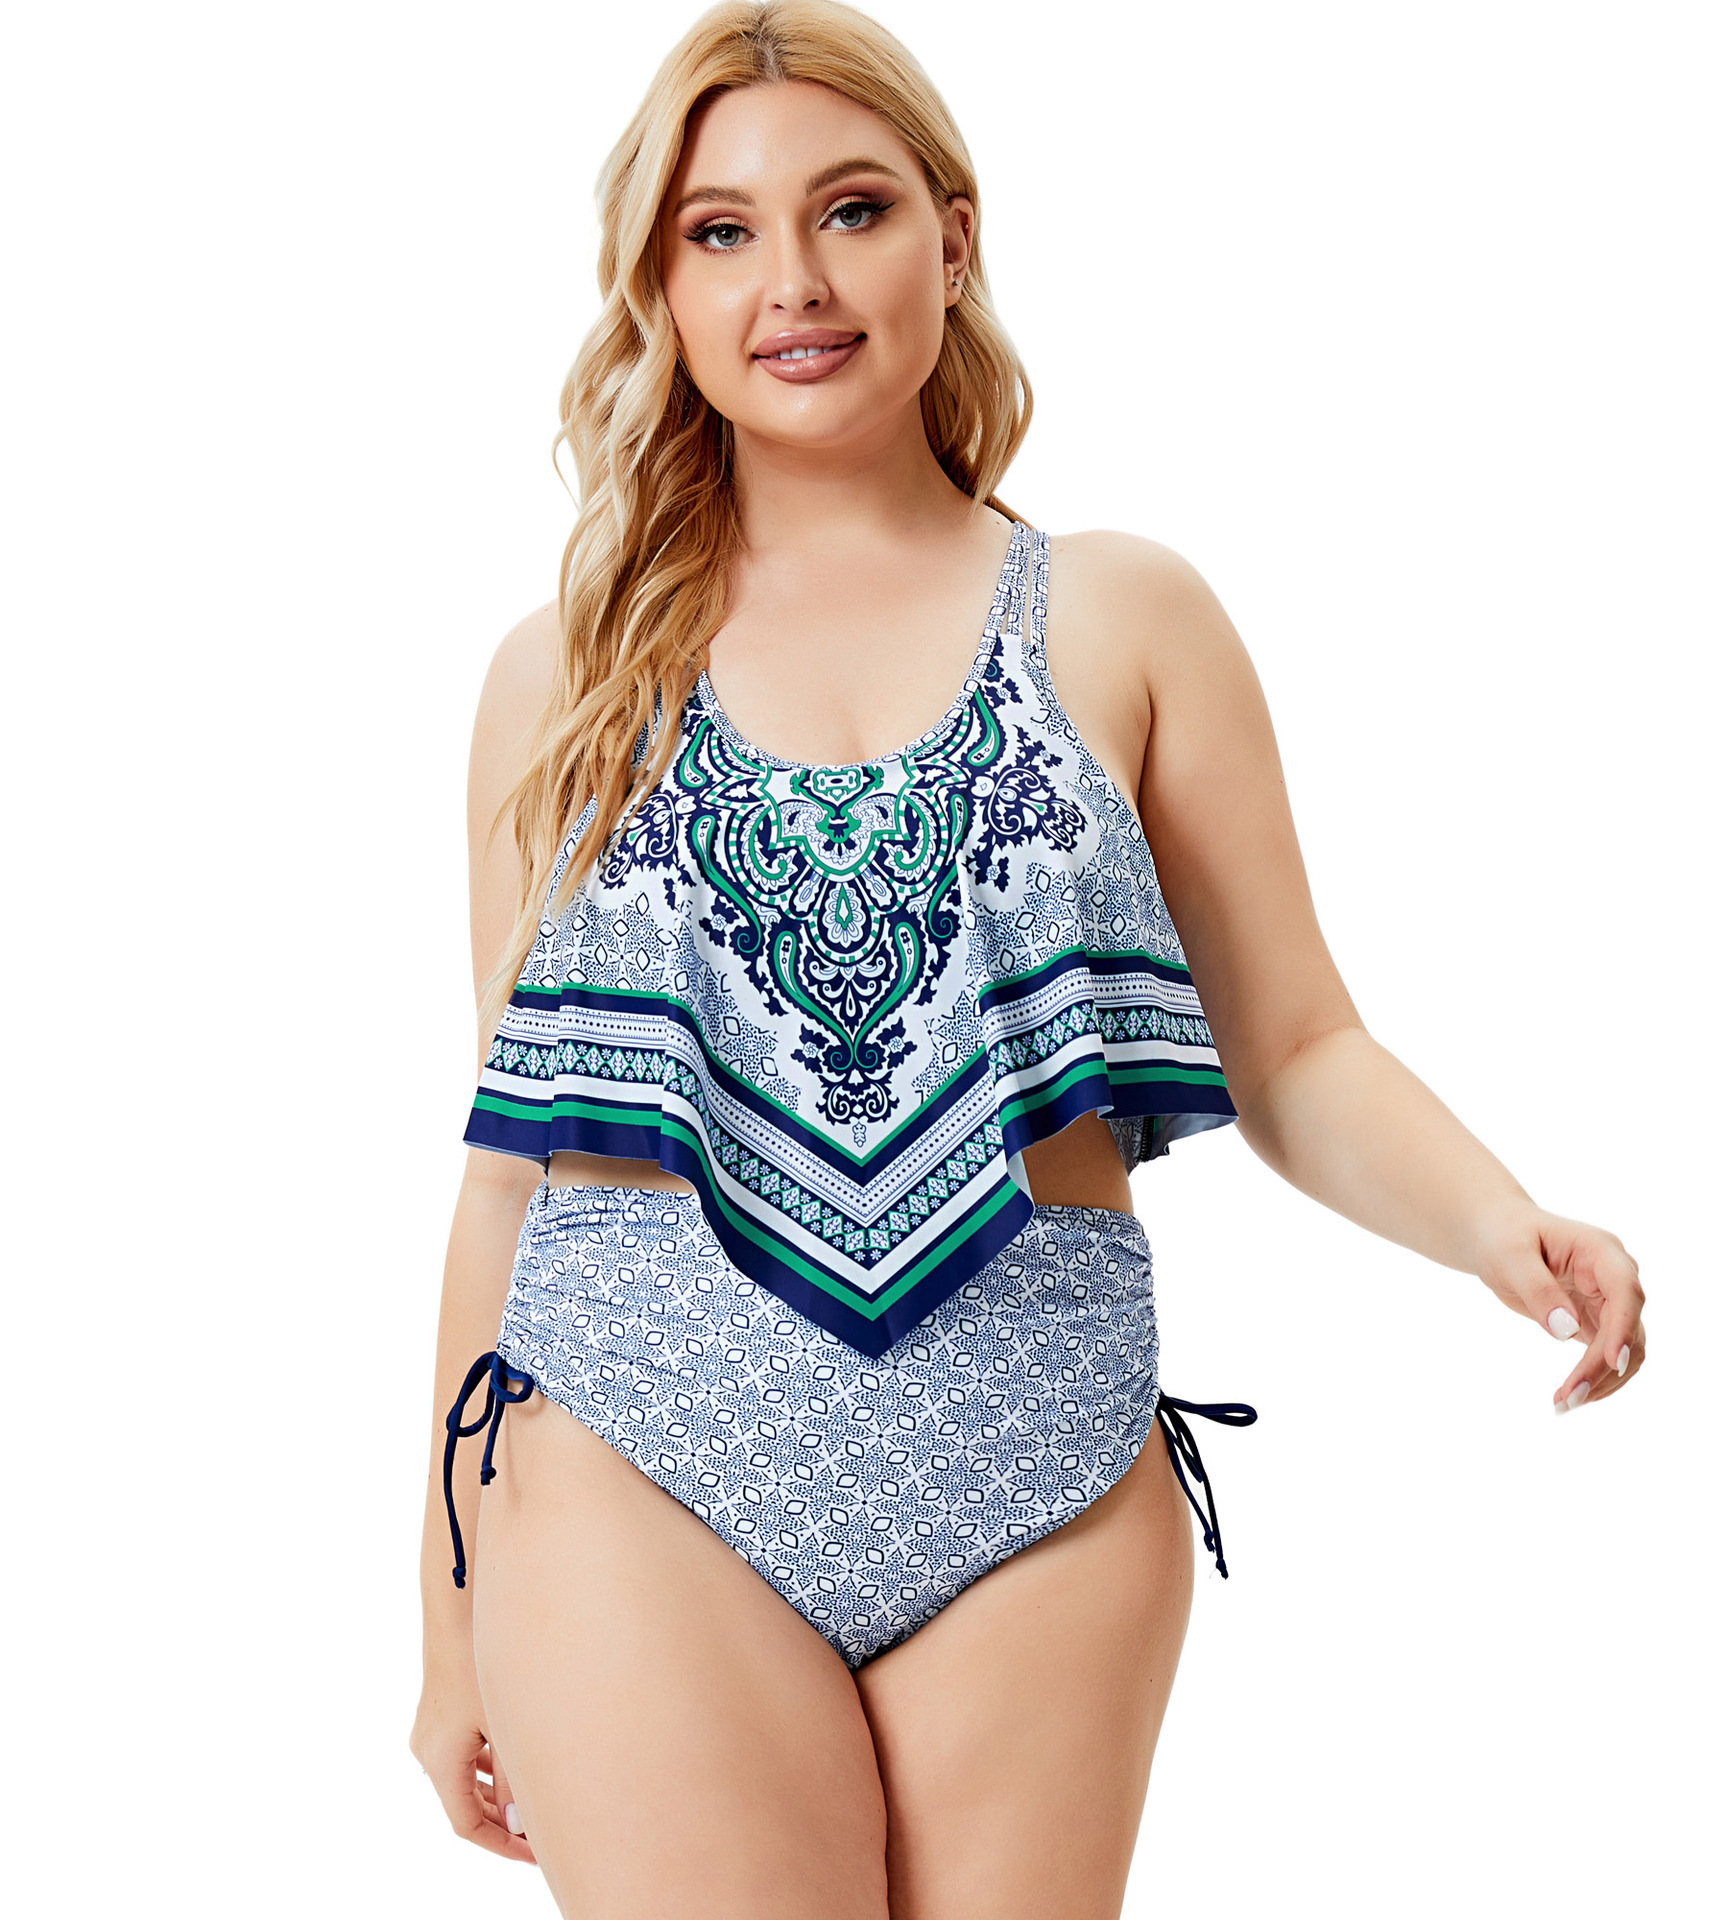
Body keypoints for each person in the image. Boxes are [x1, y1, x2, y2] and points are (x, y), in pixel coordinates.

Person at [409, 4, 1648, 1913]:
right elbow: (514, 1168)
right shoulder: (565, 677)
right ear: (659, 285)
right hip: (640, 1443)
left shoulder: (1127, 618)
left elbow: (1295, 1045)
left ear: (953, 236)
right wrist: (445, 1625)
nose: (794, 280)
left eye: (852, 210)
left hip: (1042, 1456)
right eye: (721, 232)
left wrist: (1502, 1221)